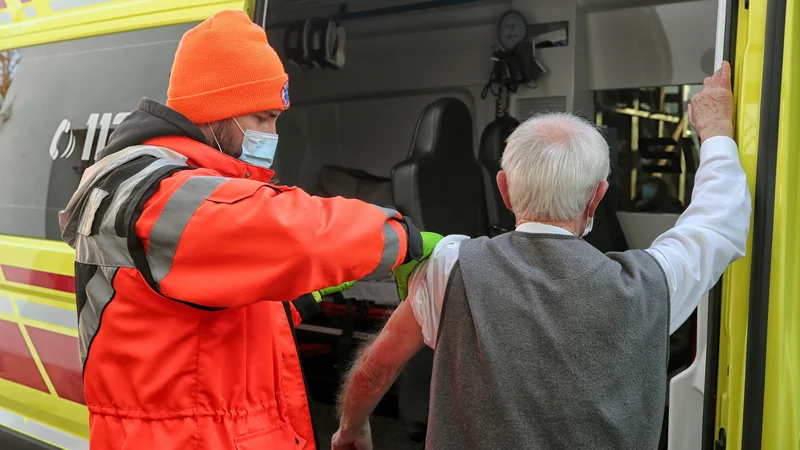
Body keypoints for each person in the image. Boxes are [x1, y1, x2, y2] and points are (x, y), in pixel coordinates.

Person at [58, 10, 437, 450]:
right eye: (261, 118)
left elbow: (207, 315)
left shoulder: (175, 184)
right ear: (215, 111)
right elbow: (292, 231)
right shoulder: (153, 189)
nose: (272, 134)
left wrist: (298, 298)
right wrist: (407, 239)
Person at [333, 61, 750, 450]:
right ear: (597, 198)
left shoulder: (450, 267)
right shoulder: (652, 285)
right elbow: (719, 221)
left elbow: (374, 372)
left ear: (504, 190)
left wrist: (352, 427)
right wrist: (714, 131)